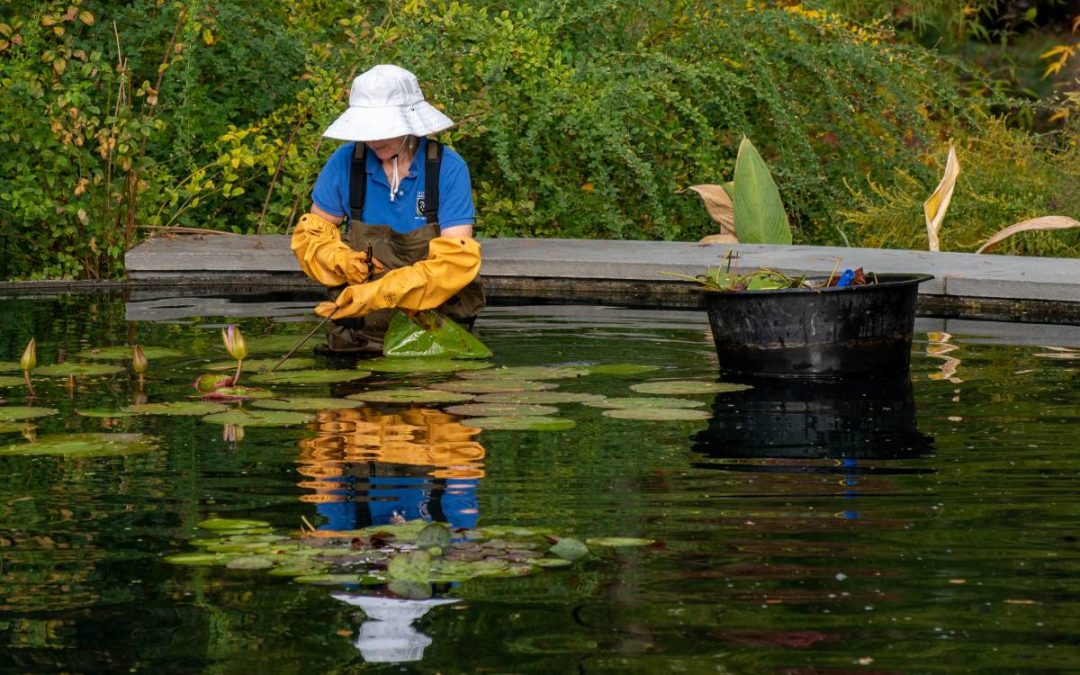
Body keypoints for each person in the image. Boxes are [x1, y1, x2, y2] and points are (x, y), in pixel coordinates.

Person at [291, 64, 485, 355]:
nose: (374, 139)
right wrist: (338, 258)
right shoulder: (344, 162)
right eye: (366, 129)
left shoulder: (448, 168)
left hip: (433, 340)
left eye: (384, 129)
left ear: (410, 122)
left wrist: (382, 291)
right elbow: (312, 236)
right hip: (358, 342)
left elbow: (455, 263)